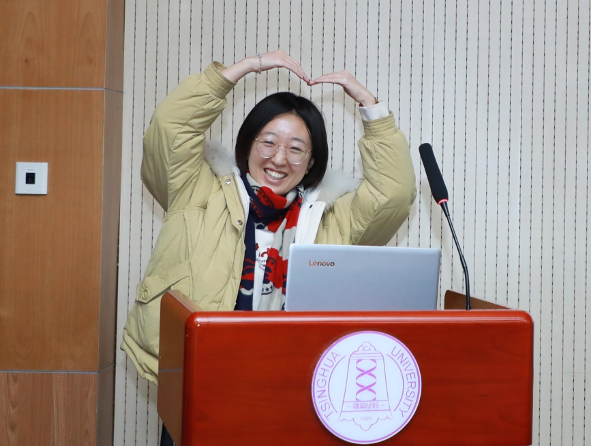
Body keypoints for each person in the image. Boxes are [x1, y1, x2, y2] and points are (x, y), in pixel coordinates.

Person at [120, 51, 416, 445]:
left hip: (289, 389)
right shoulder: (196, 190)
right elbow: (170, 131)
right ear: (248, 144)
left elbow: (392, 196)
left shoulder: (328, 217)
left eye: (296, 148)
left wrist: (371, 108)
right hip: (200, 379)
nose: (279, 158)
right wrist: (240, 70)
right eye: (269, 142)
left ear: (311, 161)